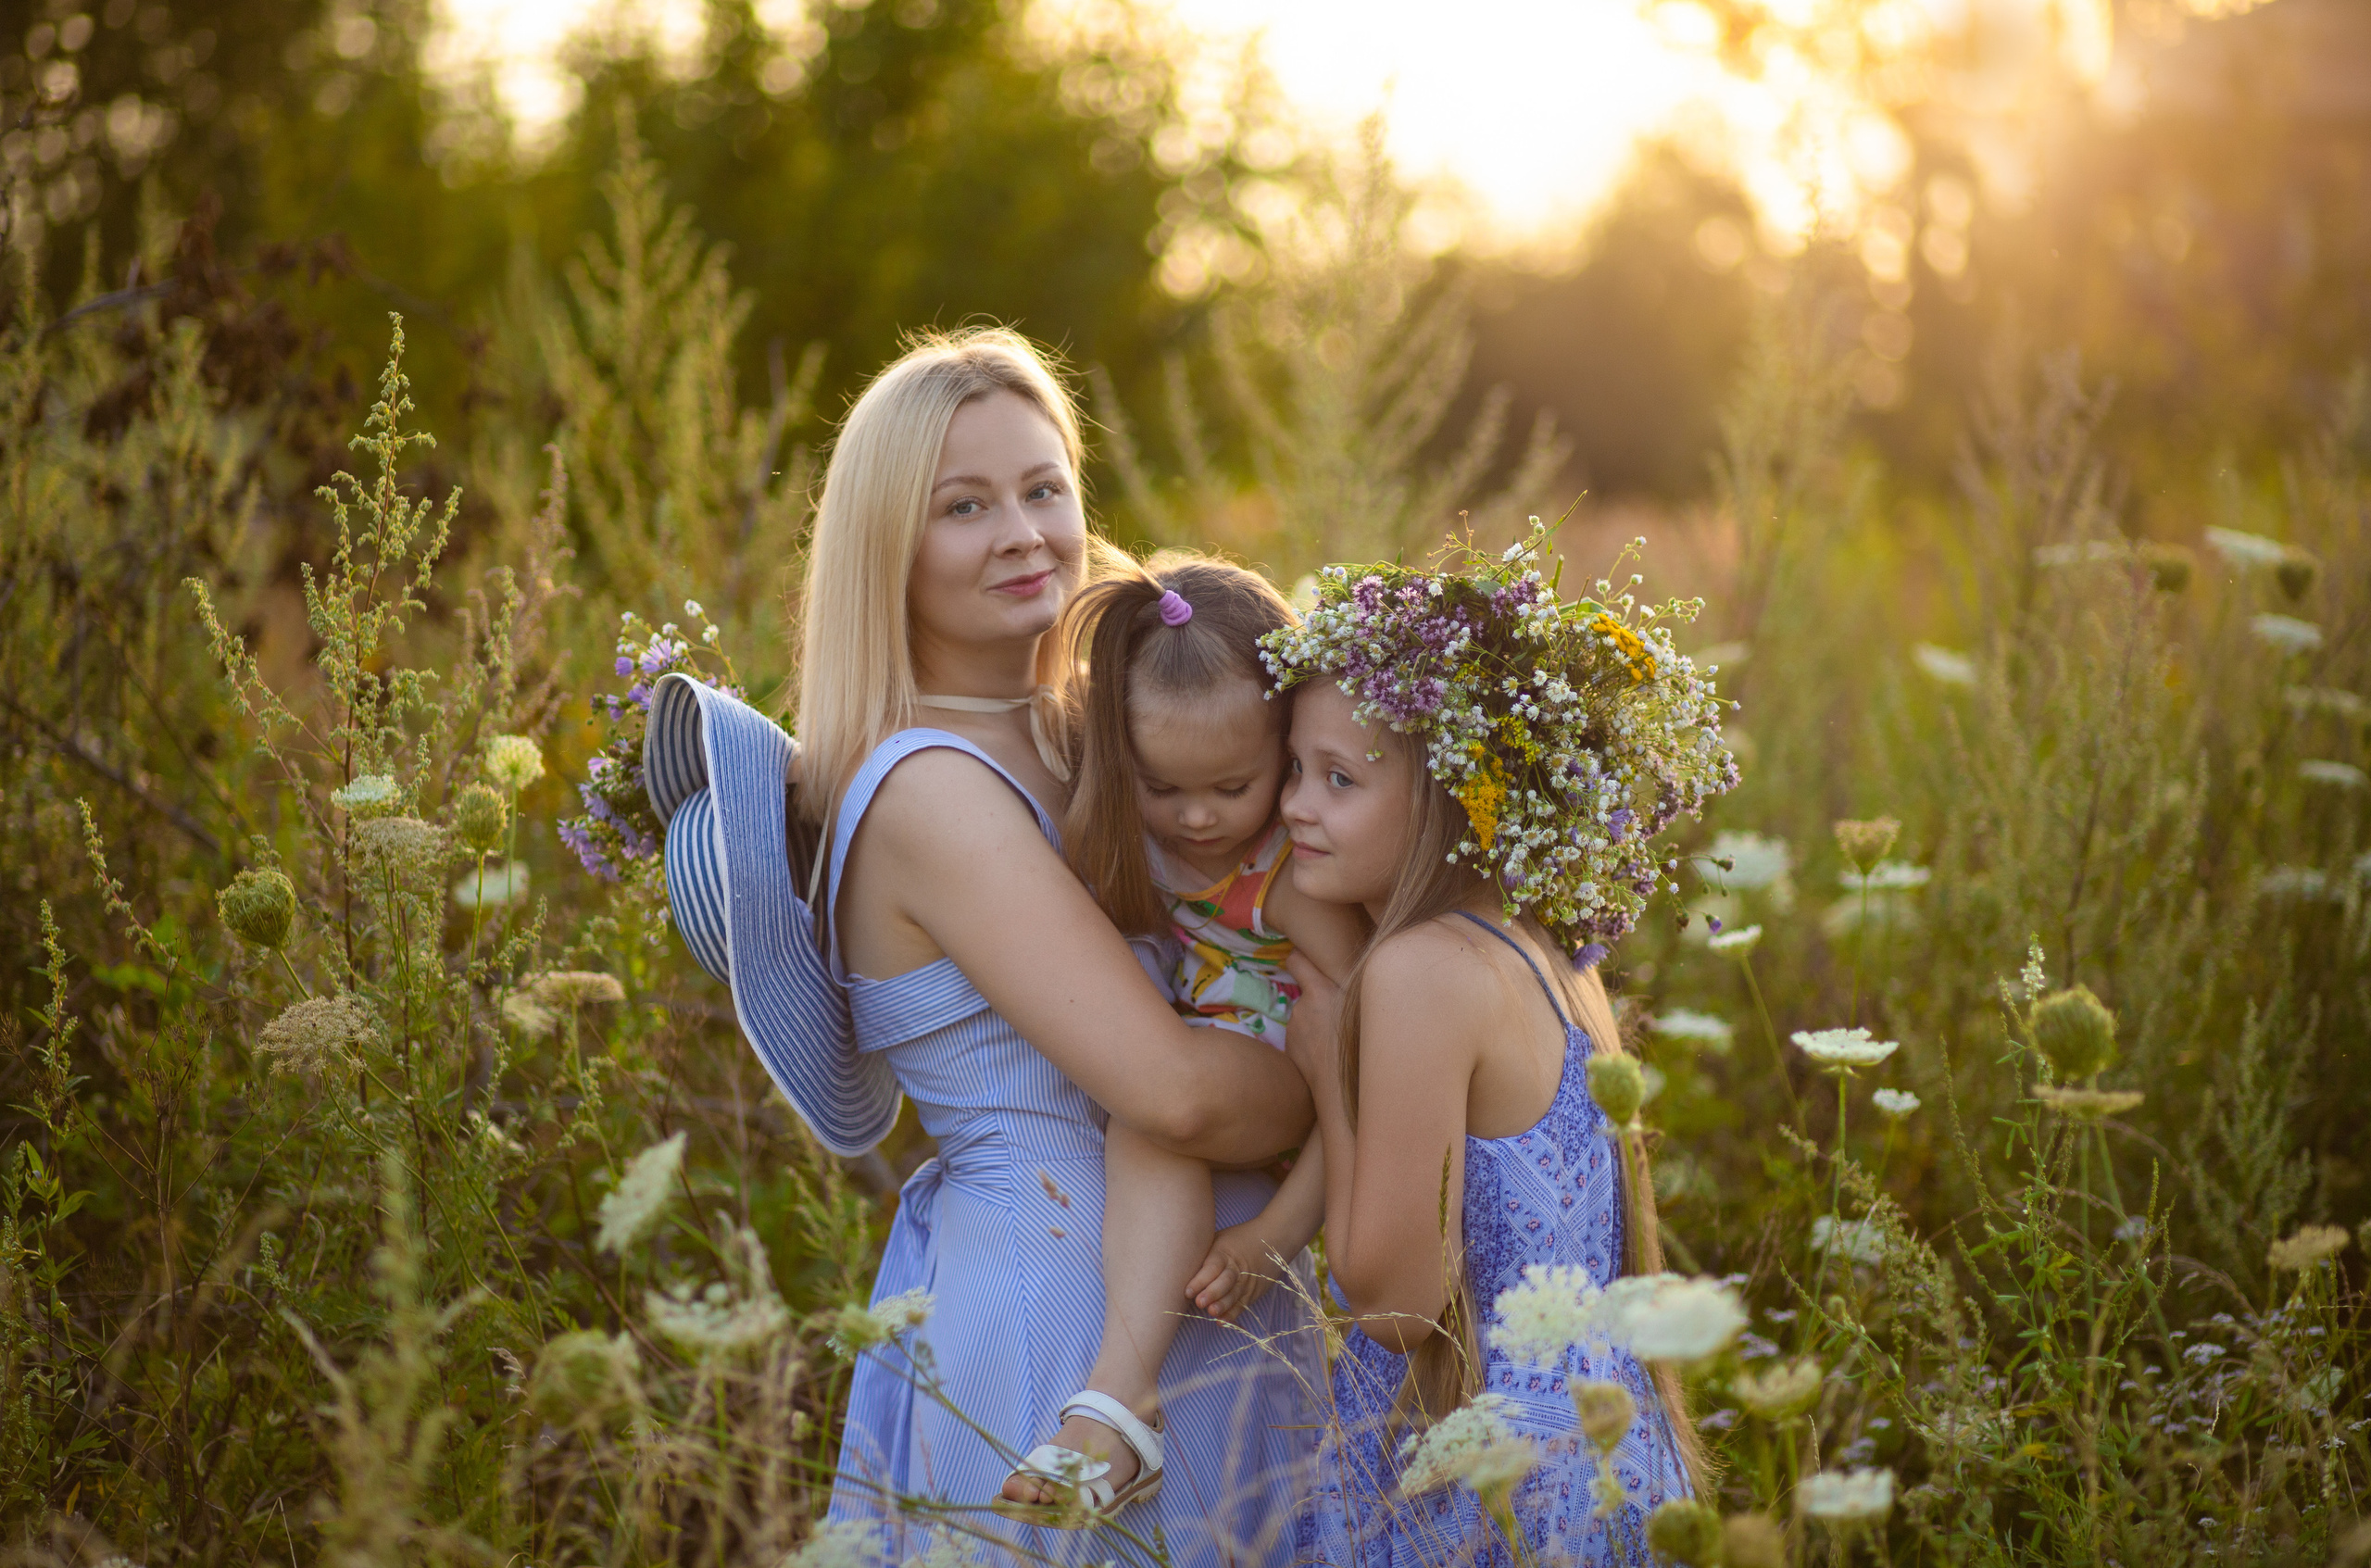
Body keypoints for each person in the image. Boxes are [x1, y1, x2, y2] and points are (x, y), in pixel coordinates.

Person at [797, 329, 1321, 1562]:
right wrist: (1353, 1081)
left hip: (1195, 1313)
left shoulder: (1087, 733)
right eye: (964, 506)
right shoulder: (928, 788)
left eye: (1044, 488)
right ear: (886, 544)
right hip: (1053, 1314)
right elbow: (1176, 1093)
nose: (1023, 532)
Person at [1266, 536, 1736, 1563]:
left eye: (1338, 778)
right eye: (1293, 768)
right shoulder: (1552, 950)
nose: (1294, 803)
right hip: (1603, 1453)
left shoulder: (1419, 974)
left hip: (1483, 1482)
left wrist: (1327, 1060)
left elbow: (1394, 1303)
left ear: (1446, 793)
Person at [998, 555, 1367, 1520]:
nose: (1198, 817)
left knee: (1155, 1111)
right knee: (1151, 1103)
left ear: (1286, 751)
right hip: (1203, 1046)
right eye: (1163, 787)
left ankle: (1121, 1397)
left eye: (1232, 786)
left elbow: (1358, 1070)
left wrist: (1275, 1235)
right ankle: (1120, 1402)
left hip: (1288, 1075)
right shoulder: (1132, 816)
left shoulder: (1288, 880)